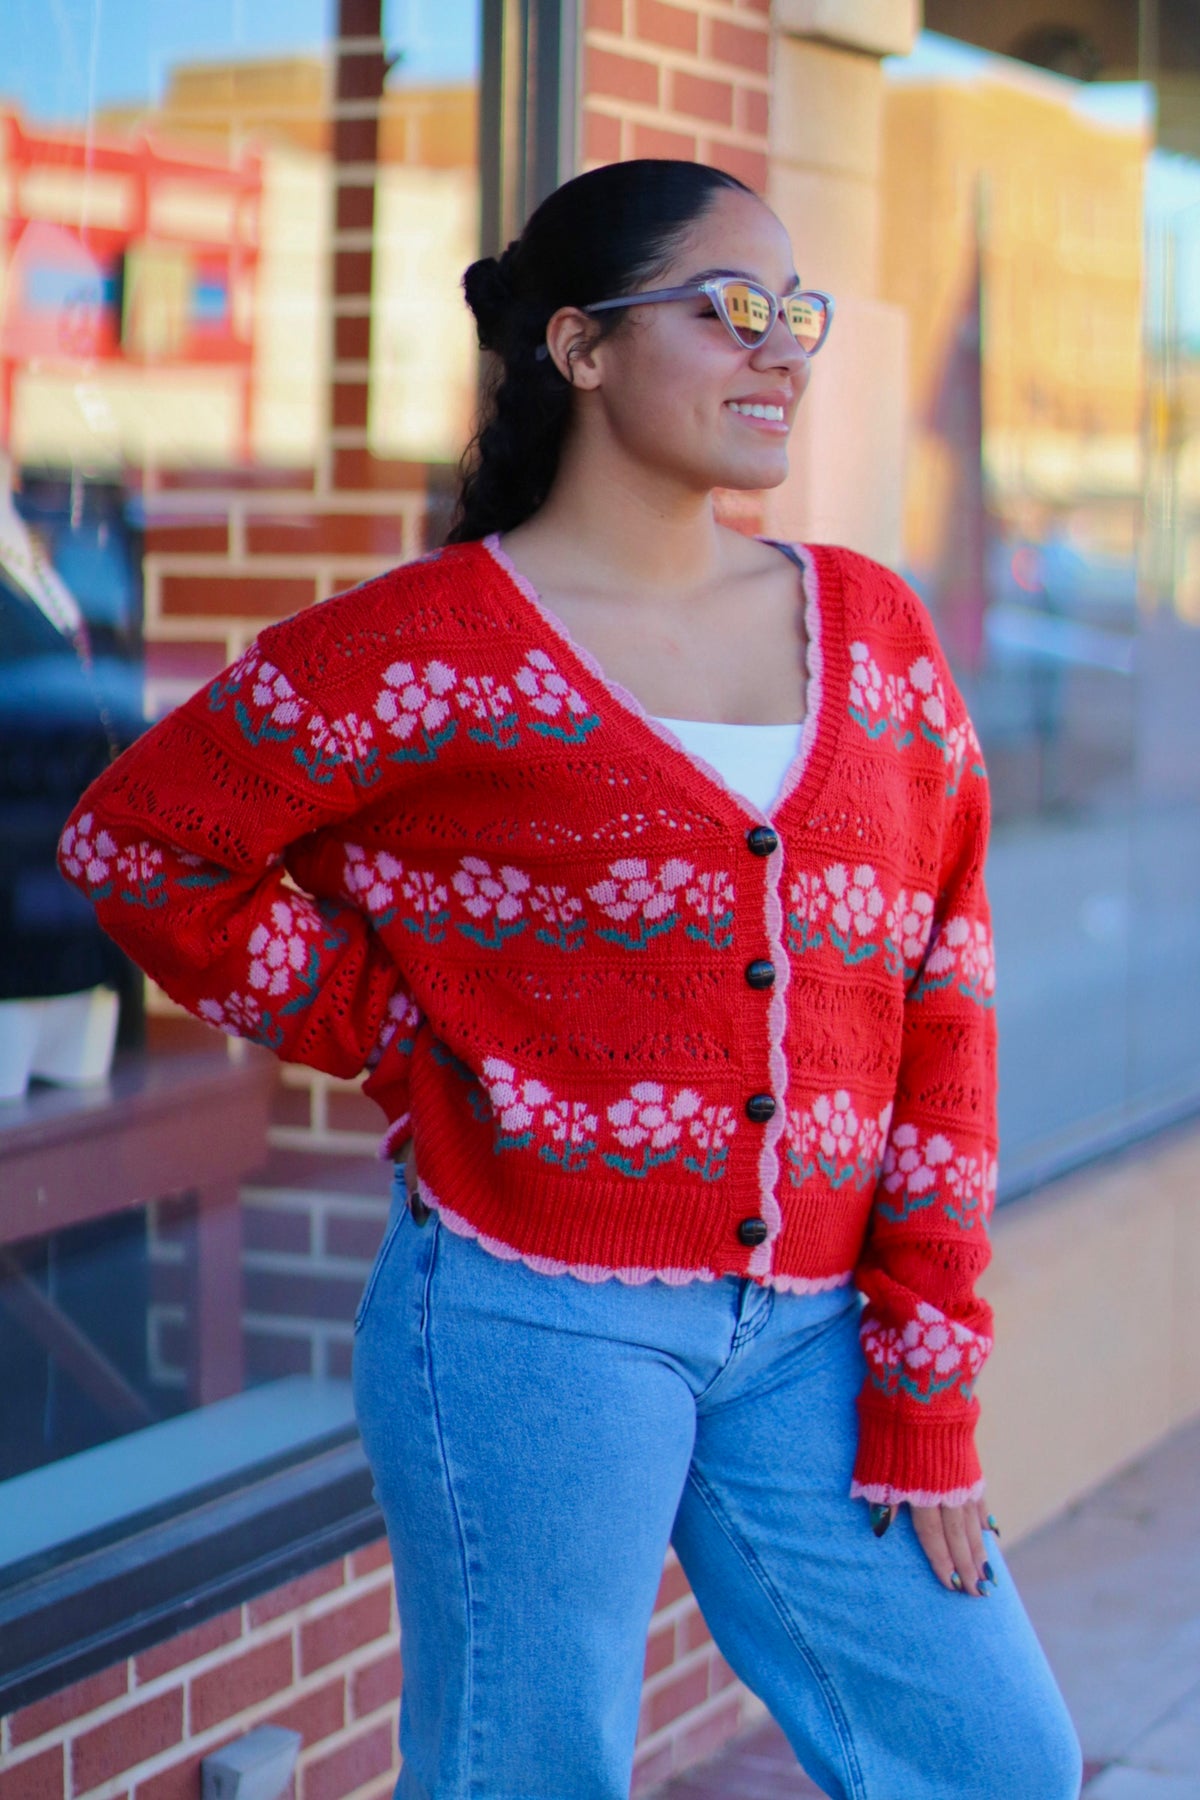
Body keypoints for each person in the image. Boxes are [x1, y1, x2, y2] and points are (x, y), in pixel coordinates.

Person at [58, 160, 1082, 1800]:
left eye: (796, 314)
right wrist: (401, 1035)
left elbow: (943, 1001)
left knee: (996, 1758)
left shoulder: (874, 635)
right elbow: (144, 847)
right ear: (581, 348)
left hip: (823, 1337)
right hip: (530, 1314)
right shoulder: (426, 643)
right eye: (731, 309)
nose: (783, 351)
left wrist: (930, 1377)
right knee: (525, 1774)